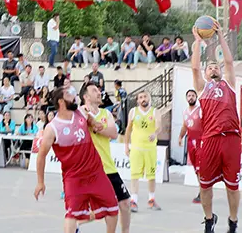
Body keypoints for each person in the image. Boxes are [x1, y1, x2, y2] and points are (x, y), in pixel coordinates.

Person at [34, 87, 119, 233]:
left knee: (113, 209)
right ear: (61, 102)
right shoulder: (52, 128)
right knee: (72, 214)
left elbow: (89, 118)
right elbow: (41, 156)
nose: (74, 96)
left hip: (96, 173)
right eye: (69, 94)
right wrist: (40, 182)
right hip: (74, 178)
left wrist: (94, 123)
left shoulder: (81, 112)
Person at [191, 23, 240, 233]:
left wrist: (220, 35)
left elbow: (228, 61)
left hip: (231, 138)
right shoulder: (202, 88)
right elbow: (194, 67)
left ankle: (233, 221)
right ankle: (209, 219)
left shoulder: (228, 83)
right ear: (205, 72)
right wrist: (197, 42)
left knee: (232, 186)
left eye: (215, 67)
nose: (214, 68)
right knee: (205, 185)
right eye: (210, 67)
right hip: (210, 138)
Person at [84, 82, 131, 233]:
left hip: (109, 167)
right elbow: (84, 122)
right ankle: (74, 224)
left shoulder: (106, 113)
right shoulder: (81, 112)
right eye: (94, 90)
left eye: (99, 90)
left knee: (125, 203)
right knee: (104, 209)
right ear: (86, 97)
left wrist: (98, 127)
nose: (99, 92)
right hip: (92, 170)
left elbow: (113, 133)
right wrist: (94, 123)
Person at [124, 91, 162, 212]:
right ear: (137, 100)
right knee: (135, 175)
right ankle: (133, 200)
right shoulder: (133, 112)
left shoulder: (155, 111)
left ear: (149, 98)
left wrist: (155, 133)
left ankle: (151, 199)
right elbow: (128, 129)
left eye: (145, 96)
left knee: (151, 175)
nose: (143, 99)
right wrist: (126, 145)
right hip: (136, 149)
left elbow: (159, 125)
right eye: (140, 97)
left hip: (150, 149)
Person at [178, 89, 203, 204]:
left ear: (196, 97)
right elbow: (185, 126)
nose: (191, 97)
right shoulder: (185, 112)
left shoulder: (200, 110)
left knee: (201, 168)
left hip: (201, 142)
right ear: (186, 98)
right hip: (191, 143)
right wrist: (180, 137)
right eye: (189, 95)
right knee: (196, 169)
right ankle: (203, 189)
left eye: (193, 95)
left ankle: (203, 192)